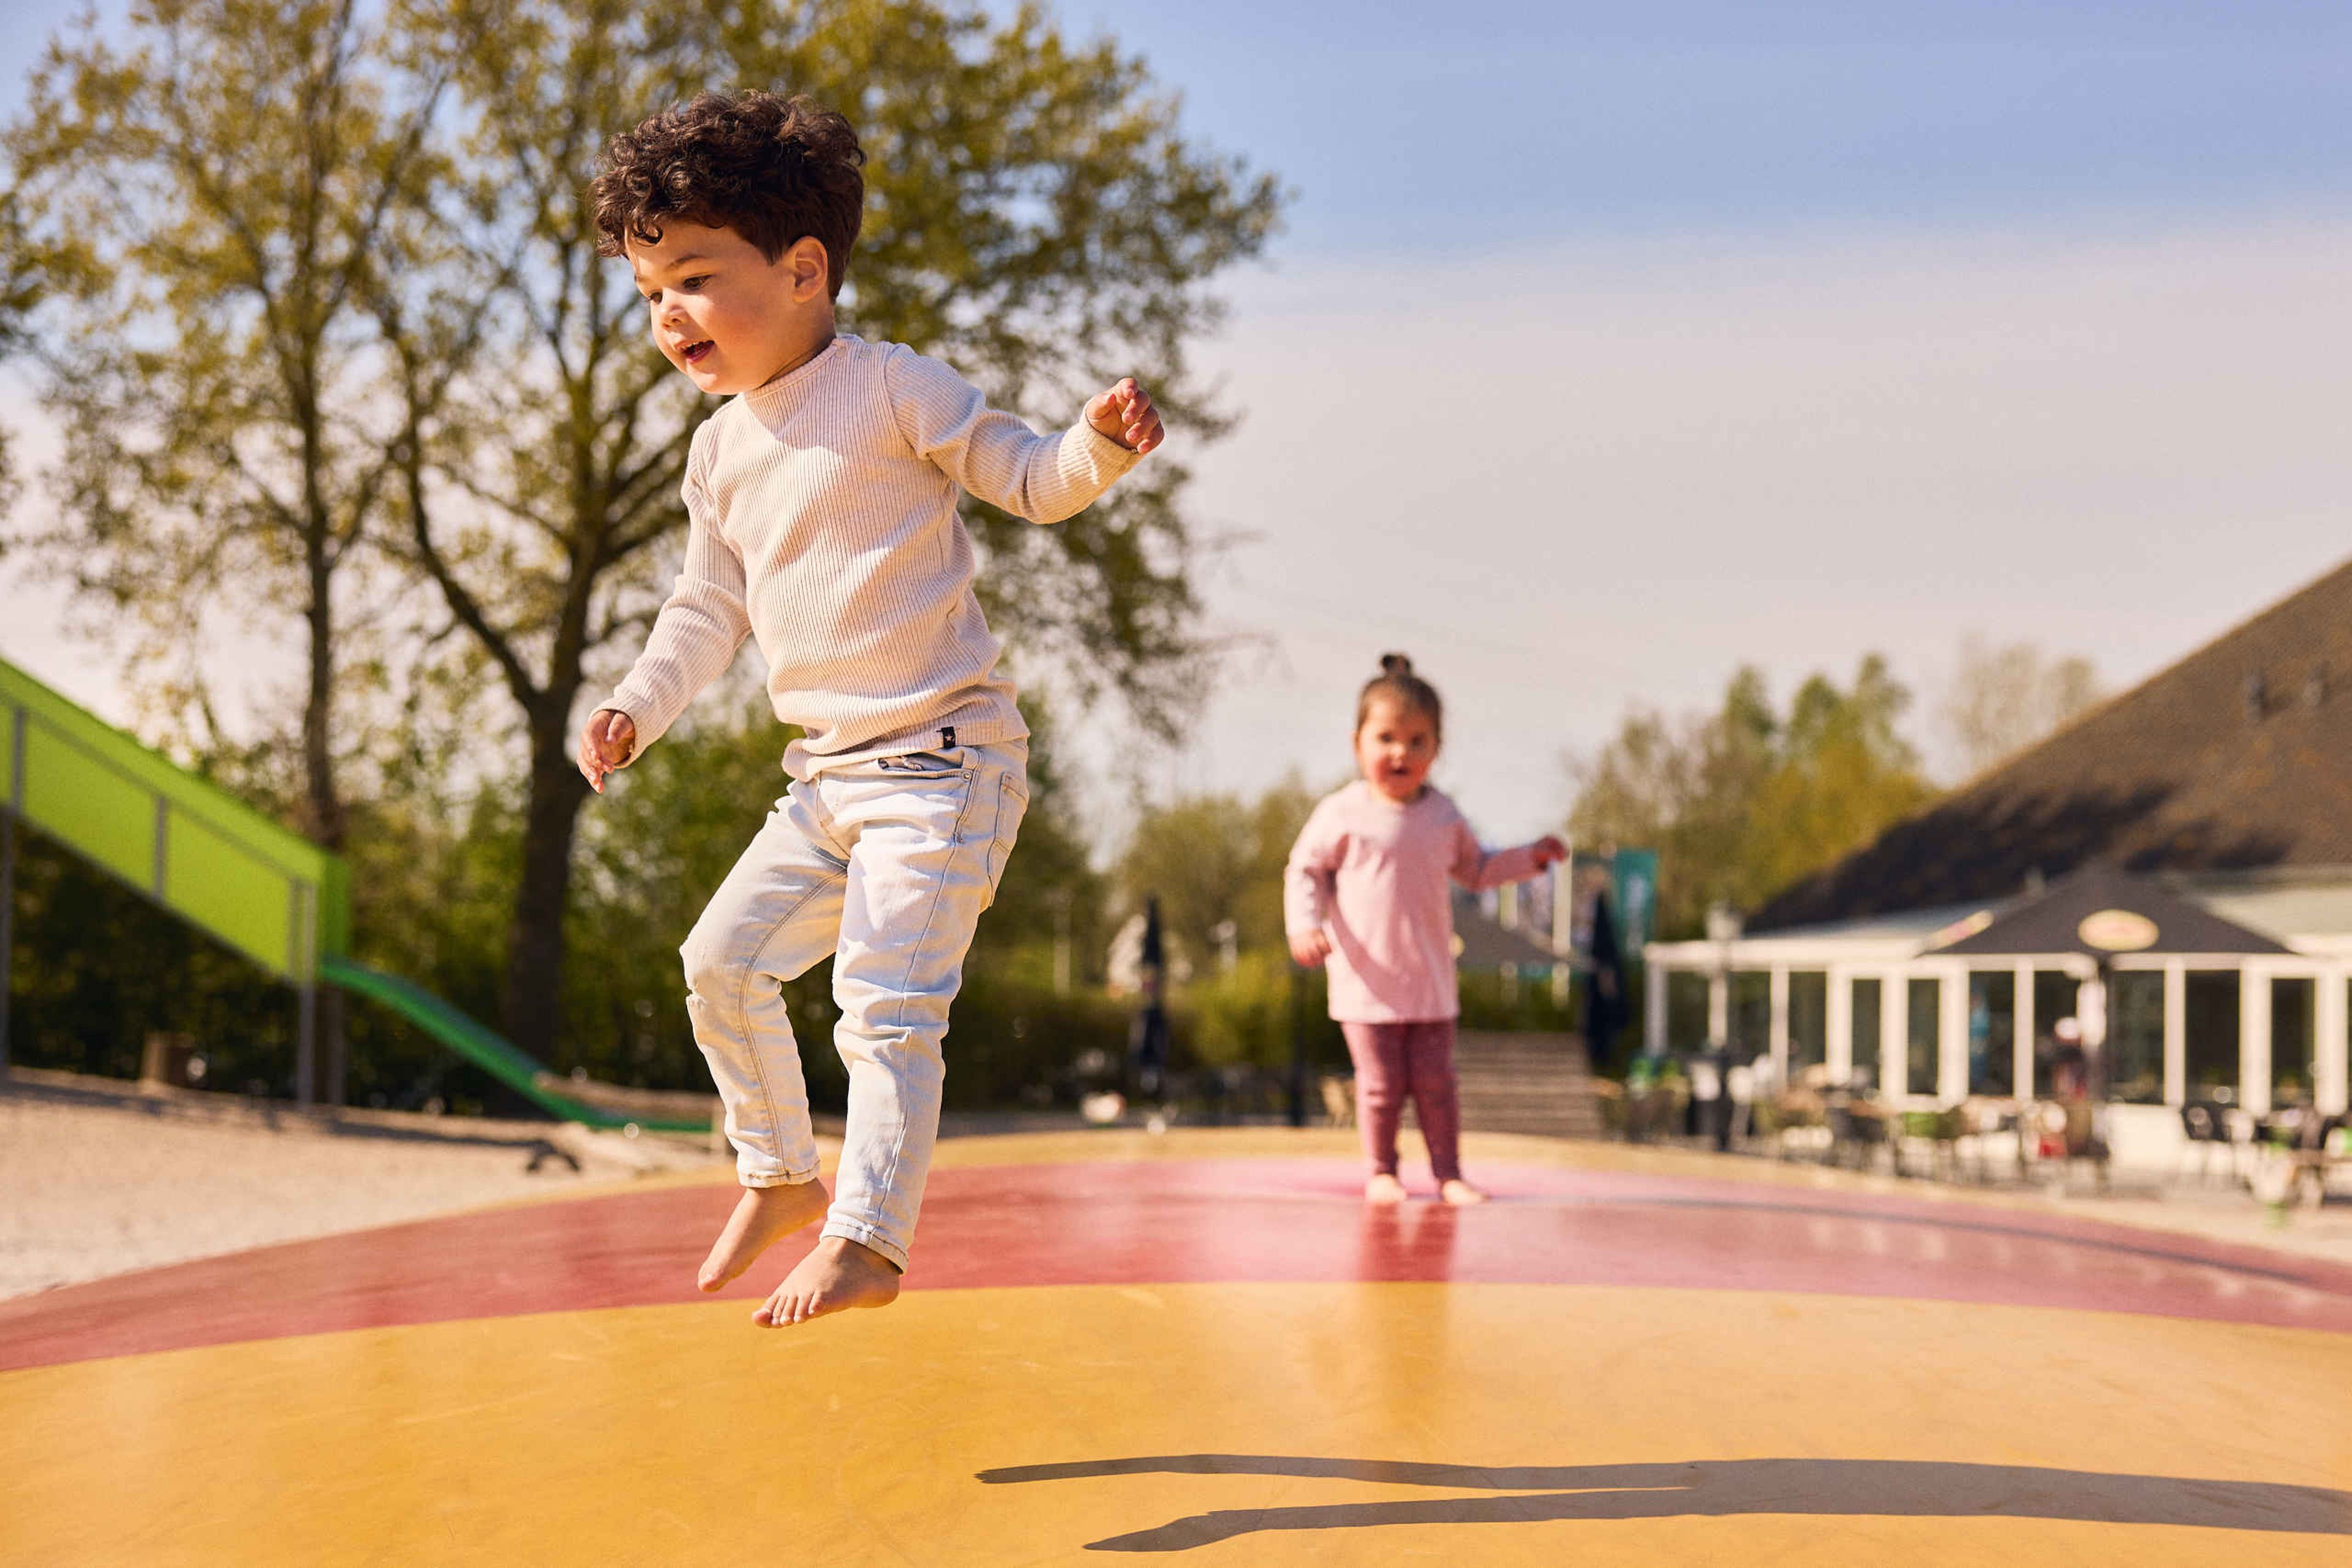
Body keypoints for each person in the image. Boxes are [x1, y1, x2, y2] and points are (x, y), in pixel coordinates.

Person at [574, 91, 1162, 1329]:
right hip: (828, 781)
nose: (667, 314)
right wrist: (636, 703)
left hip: (944, 768)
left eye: (690, 278)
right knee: (718, 964)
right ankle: (783, 1174)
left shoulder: (892, 389)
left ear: (801, 270)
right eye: (647, 295)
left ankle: (869, 1236)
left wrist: (1095, 448)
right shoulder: (718, 453)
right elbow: (702, 611)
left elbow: (1027, 477)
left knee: (884, 997)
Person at [1284, 655, 1567, 1205]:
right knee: (1382, 1086)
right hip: (1366, 984)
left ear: (1436, 750)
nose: (1400, 752)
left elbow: (1477, 868)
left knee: (1438, 1085)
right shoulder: (1342, 813)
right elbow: (1305, 869)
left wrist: (1530, 859)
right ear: (1357, 743)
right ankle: (1382, 1172)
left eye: (1417, 741)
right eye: (1386, 738)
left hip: (1431, 982)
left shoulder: (1442, 816)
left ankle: (1449, 1175)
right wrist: (1304, 924)